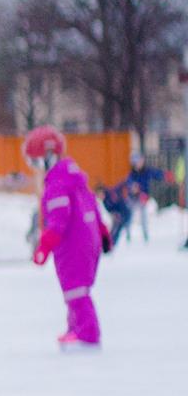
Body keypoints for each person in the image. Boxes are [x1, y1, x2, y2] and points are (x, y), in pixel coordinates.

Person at [28, 126, 108, 350]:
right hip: (86, 240)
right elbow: (92, 206)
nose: (35, 170)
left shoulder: (57, 184)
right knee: (75, 288)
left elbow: (58, 220)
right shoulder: (74, 178)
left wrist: (44, 247)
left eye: (35, 163)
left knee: (76, 290)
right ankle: (75, 327)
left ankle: (88, 332)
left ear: (49, 157)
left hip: (73, 243)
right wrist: (102, 232)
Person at [123, 152, 166, 243]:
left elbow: (156, 173)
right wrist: (134, 189)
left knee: (144, 216)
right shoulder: (132, 174)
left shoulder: (147, 171)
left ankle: (145, 235)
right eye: (137, 162)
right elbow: (129, 184)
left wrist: (165, 175)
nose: (139, 164)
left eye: (140, 161)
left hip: (143, 197)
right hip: (133, 198)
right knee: (130, 215)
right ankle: (128, 235)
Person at [100, 183, 133, 251]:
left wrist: (118, 214)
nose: (100, 196)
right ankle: (110, 244)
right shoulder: (105, 200)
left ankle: (112, 244)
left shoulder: (111, 197)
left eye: (101, 194)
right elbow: (110, 209)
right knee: (114, 229)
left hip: (124, 214)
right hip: (117, 215)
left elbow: (120, 205)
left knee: (118, 228)